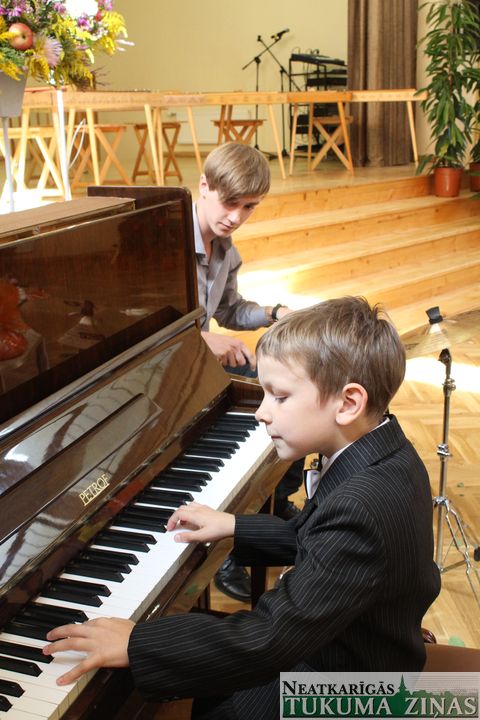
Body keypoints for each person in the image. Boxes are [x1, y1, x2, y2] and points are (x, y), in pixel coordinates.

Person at [43, 296, 441, 720]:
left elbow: (271, 639)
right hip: (352, 644)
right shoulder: (382, 450)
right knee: (211, 682)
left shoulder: (361, 505)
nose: (261, 413)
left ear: (347, 404)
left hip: (350, 685)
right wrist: (234, 525)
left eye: (279, 396)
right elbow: (318, 538)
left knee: (218, 706)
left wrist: (137, 643)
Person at [193, 141, 304, 601]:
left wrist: (275, 313)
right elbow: (140, 325)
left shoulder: (226, 249)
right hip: (177, 371)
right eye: (229, 202)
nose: (236, 217)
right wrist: (203, 338)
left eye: (249, 207)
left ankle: (278, 500)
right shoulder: (162, 243)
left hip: (203, 363)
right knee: (255, 425)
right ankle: (232, 552)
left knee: (298, 396)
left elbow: (231, 310)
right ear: (204, 185)